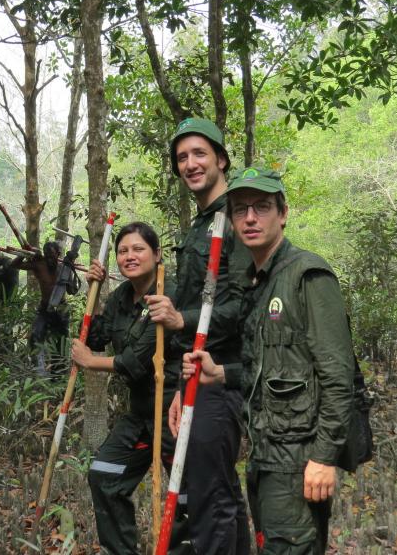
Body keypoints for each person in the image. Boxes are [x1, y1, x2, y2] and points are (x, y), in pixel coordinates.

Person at [183, 167, 354, 554]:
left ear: (283, 213)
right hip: (264, 457)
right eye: (241, 209)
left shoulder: (307, 275)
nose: (249, 218)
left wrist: (325, 458)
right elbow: (272, 370)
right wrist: (221, 373)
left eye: (261, 207)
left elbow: (337, 374)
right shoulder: (257, 282)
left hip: (299, 463)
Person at [145, 118, 251, 554]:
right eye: (182, 158)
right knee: (219, 491)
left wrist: (181, 320)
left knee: (211, 498)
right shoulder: (200, 224)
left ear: (221, 159)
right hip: (195, 371)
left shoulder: (239, 217)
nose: (190, 164)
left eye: (199, 154)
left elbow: (244, 306)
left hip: (222, 374)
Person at [71, 222, 189, 554]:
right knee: (104, 476)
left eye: (138, 249)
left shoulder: (168, 296)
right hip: (139, 413)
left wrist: (90, 363)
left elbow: (137, 360)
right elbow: (94, 338)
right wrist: (92, 292)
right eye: (123, 251)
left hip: (173, 411)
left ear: (157, 254)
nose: (129, 256)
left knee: (186, 495)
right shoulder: (122, 296)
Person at [12, 241, 78, 376]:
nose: (49, 259)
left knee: (60, 342)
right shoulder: (39, 265)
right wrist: (24, 252)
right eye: (46, 256)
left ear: (58, 254)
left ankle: (58, 374)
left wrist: (71, 271)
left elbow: (72, 291)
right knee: (36, 335)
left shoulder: (64, 269)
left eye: (52, 256)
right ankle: (39, 371)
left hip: (61, 311)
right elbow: (14, 265)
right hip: (44, 310)